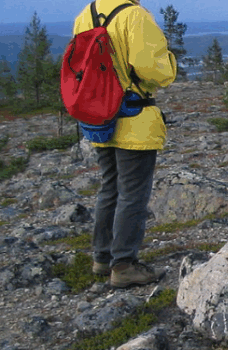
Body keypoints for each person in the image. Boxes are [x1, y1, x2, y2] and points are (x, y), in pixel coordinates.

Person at [73, 0, 177, 288]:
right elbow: (153, 70)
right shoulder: (135, 16)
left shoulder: (86, 15)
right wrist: (170, 62)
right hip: (134, 119)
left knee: (110, 187)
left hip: (100, 117)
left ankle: (102, 258)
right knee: (133, 193)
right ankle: (123, 266)